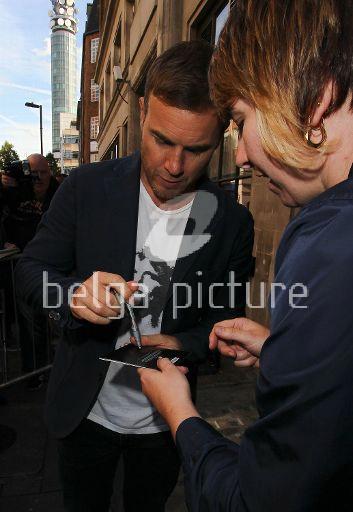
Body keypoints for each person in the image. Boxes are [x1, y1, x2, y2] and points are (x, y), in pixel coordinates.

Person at [15, 41, 254, 512]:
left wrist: (181, 343)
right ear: (142, 110)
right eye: (163, 139)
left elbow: (224, 320)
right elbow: (29, 272)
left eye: (197, 149)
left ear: (222, 135)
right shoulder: (85, 187)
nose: (174, 165)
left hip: (166, 425)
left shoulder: (232, 222)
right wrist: (72, 296)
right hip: (85, 414)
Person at [138, 2, 353, 511]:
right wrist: (286, 354)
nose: (239, 156)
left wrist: (180, 414)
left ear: (315, 102)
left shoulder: (327, 243)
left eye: (240, 120)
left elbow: (258, 501)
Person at [1, 154, 59, 389]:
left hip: (53, 266)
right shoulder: (16, 191)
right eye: (33, 173)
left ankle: (49, 367)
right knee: (29, 322)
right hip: (22, 267)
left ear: (50, 172)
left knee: (51, 320)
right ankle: (32, 372)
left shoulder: (58, 192)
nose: (38, 179)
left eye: (43, 173)